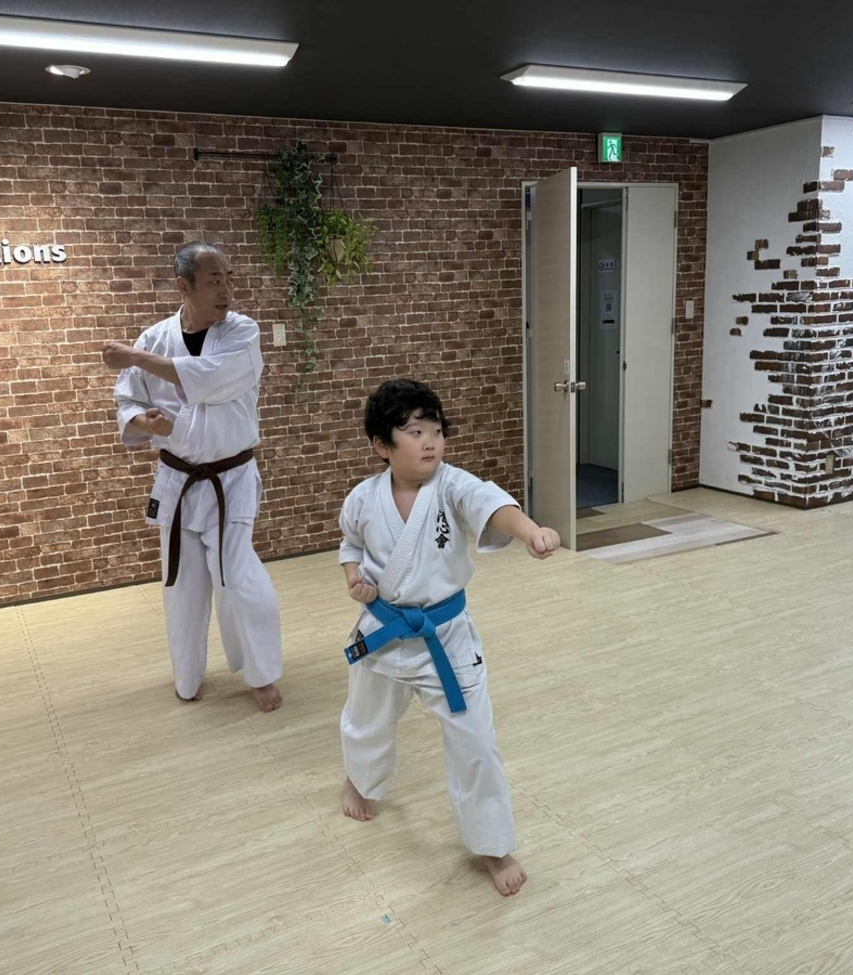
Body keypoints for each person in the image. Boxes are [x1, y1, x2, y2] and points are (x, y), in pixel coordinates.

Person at [336, 379, 560, 896]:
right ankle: (360, 781)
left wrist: (529, 530)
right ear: (381, 445)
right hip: (384, 630)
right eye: (415, 432)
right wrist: (353, 579)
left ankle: (493, 845)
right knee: (367, 722)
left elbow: (490, 505)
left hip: (446, 636)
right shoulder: (362, 498)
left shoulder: (453, 485)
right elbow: (350, 545)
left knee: (475, 741)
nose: (430, 442)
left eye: (436, 430)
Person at [104, 241, 283, 710]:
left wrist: (135, 358)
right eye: (213, 281)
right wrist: (143, 421)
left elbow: (209, 376)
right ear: (183, 286)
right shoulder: (154, 338)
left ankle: (261, 673)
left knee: (237, 578)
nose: (226, 291)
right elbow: (128, 399)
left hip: (231, 477)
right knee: (181, 584)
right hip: (178, 479)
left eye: (228, 279)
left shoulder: (242, 332)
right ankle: (187, 675)